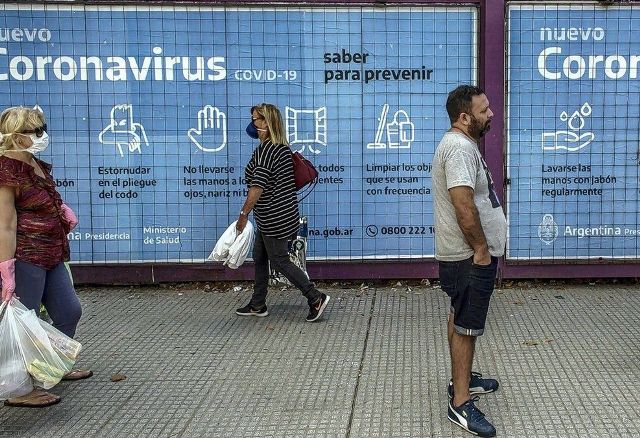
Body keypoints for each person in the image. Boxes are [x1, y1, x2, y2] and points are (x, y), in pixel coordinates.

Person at [0, 106, 92, 408]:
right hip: (26, 257)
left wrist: (60, 211)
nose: (42, 136)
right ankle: (20, 389)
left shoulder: (34, 164)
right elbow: (5, 224)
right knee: (25, 323)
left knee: (68, 311)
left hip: (52, 253)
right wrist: (6, 270)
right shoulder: (6, 171)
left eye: (43, 128)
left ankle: (51, 366)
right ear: (16, 136)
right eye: (35, 131)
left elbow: (44, 198)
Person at [431, 85, 507, 437]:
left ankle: (461, 380)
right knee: (467, 325)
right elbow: (463, 203)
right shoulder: (460, 148)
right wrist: (480, 249)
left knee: (459, 314)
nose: (491, 114)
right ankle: (460, 402)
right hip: (468, 256)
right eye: (483, 110)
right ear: (464, 117)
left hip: (466, 255)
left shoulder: (461, 144)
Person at [235, 103, 330, 322]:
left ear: (267, 123)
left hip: (274, 216)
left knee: (279, 260)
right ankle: (258, 304)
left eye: (255, 119)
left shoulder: (268, 151)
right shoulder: (280, 148)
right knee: (260, 256)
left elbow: (257, 186)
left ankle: (315, 297)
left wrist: (243, 214)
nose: (252, 124)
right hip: (277, 213)